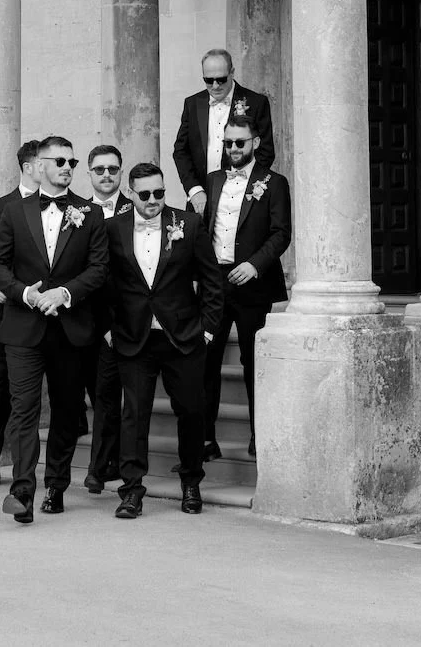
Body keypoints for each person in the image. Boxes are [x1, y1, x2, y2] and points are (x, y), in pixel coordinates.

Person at [0, 135, 108, 525]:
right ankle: (22, 491)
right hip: (23, 328)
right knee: (23, 409)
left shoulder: (90, 214)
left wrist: (65, 293)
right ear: (40, 165)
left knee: (67, 410)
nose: (67, 168)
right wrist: (25, 293)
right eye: (60, 161)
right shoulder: (13, 211)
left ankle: (55, 485)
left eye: (72, 162)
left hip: (71, 330)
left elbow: (99, 269)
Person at [106, 162, 223, 519]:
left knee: (191, 411)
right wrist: (107, 328)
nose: (153, 200)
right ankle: (131, 491)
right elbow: (103, 281)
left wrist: (207, 329)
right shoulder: (113, 228)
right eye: (145, 194)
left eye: (159, 192)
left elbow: (212, 280)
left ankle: (191, 482)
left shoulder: (188, 224)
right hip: (133, 336)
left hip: (183, 336)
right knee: (134, 415)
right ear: (130, 193)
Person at [203, 117, 291, 460]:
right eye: (228, 143)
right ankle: (206, 440)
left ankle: (260, 436)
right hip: (214, 285)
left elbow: (281, 233)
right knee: (207, 359)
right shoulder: (213, 180)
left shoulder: (274, 183)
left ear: (255, 142)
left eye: (240, 142)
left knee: (254, 362)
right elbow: (205, 230)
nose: (234, 148)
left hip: (254, 284)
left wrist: (254, 265)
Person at [0, 139, 41, 487]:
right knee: (2, 383)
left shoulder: (66, 207)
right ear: (29, 167)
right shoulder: (0, 207)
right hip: (9, 311)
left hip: (49, 308)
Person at [83, 144, 133, 494]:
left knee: (111, 394)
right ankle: (105, 462)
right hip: (84, 317)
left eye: (112, 169)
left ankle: (100, 467)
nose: (106, 175)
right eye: (99, 169)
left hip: (123, 318)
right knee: (98, 393)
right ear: (89, 173)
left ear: (120, 172)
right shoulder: (77, 211)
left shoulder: (137, 207)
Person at [172, 48, 275, 214]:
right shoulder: (192, 103)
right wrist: (194, 190)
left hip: (240, 198)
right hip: (200, 200)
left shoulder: (256, 102)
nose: (215, 86)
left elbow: (265, 152)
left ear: (232, 73)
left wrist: (242, 187)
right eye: (208, 80)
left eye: (221, 79)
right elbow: (181, 151)